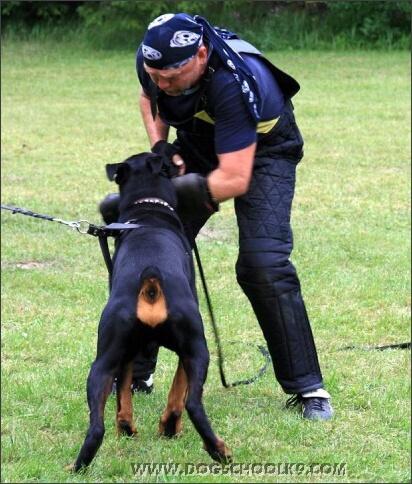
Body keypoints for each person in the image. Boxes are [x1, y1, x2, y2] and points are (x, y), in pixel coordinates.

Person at [101, 12, 333, 420]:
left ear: (201, 55)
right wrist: (160, 148)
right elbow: (147, 96)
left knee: (263, 264)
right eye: (155, 74)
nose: (162, 85)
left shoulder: (231, 84)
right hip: (199, 138)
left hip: (263, 153)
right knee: (146, 240)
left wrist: (167, 192)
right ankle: (136, 372)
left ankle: (308, 388)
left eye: (170, 78)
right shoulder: (155, 61)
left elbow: (234, 177)